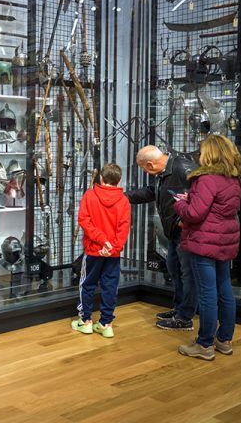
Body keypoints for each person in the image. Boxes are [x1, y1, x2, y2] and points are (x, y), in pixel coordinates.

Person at [173, 135, 241, 360]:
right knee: (224, 289)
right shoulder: (234, 179)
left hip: (204, 242)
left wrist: (181, 203)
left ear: (209, 153)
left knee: (207, 293)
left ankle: (204, 344)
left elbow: (194, 213)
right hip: (224, 241)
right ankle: (224, 339)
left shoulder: (207, 179)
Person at [126, 145, 198, 330]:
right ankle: (179, 308)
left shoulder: (184, 169)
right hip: (174, 231)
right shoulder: (165, 173)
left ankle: (185, 317)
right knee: (175, 269)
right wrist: (123, 197)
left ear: (150, 164)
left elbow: (201, 198)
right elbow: (153, 191)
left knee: (188, 275)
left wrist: (185, 220)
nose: (145, 172)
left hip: (186, 231)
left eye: (144, 168)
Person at [71, 163, 131, 338]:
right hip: (112, 253)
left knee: (87, 284)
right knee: (110, 286)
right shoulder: (124, 200)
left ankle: (86, 321)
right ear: (119, 180)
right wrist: (113, 246)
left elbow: (84, 221)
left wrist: (102, 241)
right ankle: (106, 323)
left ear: (101, 178)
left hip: (93, 250)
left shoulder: (90, 195)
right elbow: (124, 227)